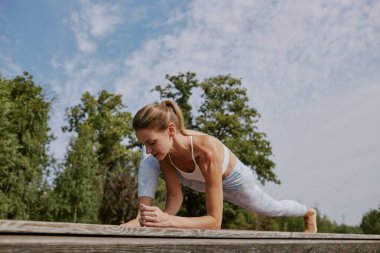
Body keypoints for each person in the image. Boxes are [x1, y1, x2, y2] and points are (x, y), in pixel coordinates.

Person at [121, 99, 317, 232]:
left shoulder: (206, 150)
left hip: (234, 182)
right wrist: (157, 221)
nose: (148, 149)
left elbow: (215, 222)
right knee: (148, 159)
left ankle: (308, 211)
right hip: (196, 180)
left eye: (152, 142)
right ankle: (142, 217)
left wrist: (168, 221)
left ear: (170, 130)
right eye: (144, 143)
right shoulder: (162, 153)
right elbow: (175, 196)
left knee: (271, 208)